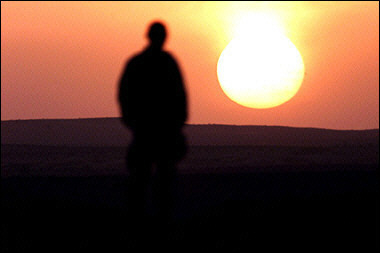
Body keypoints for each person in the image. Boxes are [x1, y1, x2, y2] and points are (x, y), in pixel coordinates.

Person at [118, 21, 188, 231]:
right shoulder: (165, 63)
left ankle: (145, 224)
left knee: (149, 181)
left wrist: (133, 123)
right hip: (153, 132)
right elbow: (180, 98)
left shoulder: (140, 63)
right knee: (151, 181)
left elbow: (124, 96)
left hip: (152, 132)